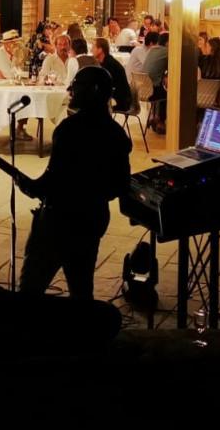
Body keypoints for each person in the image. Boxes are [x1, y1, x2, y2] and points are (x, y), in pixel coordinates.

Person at [12, 65, 132, 300]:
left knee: (30, 290)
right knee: (81, 287)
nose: (71, 91)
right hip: (92, 219)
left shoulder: (68, 130)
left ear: (93, 91)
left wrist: (32, 187)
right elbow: (120, 185)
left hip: (58, 221)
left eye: (77, 87)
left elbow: (53, 180)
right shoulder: (117, 135)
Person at [92, 38, 131, 112]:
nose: (91, 50)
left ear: (100, 50)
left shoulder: (109, 64)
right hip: (115, 96)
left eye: (93, 47)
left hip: (121, 101)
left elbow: (105, 86)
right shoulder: (104, 62)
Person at [143, 32, 170, 132]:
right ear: (168, 42)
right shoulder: (167, 51)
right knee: (167, 96)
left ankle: (153, 117)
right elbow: (173, 67)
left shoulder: (152, 49)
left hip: (143, 88)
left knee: (161, 92)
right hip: (152, 89)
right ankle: (160, 122)